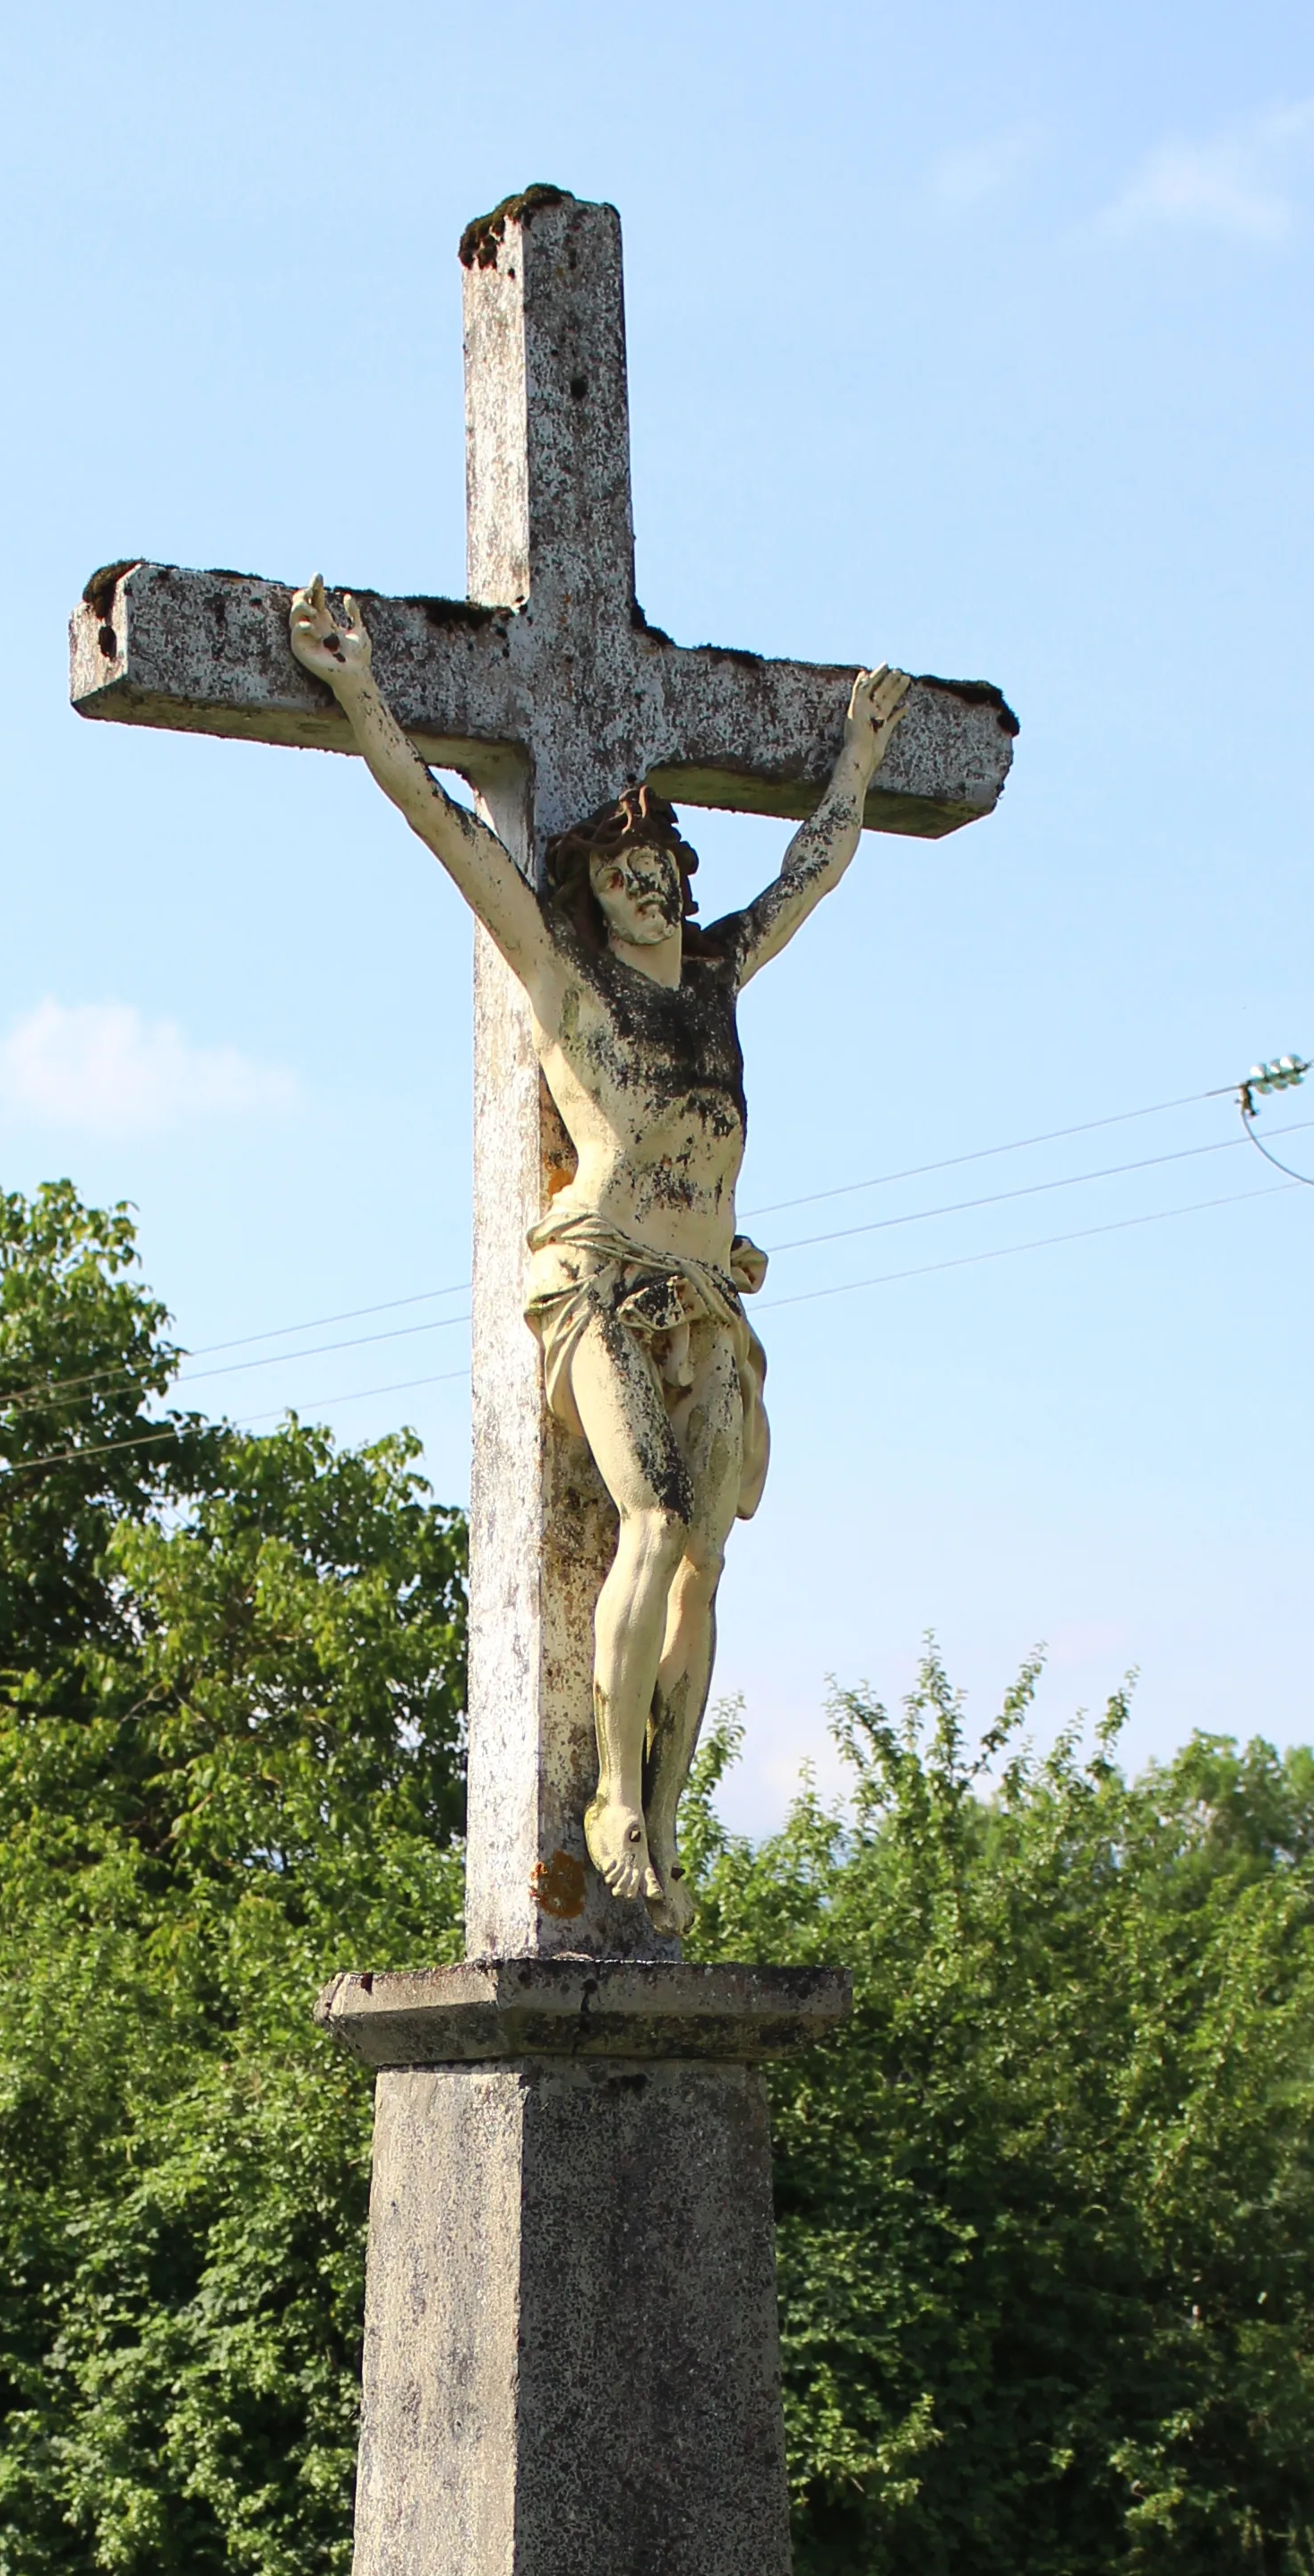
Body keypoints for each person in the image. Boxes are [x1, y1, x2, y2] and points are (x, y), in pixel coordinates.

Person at [289, 578, 909, 1931]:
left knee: (705, 1557)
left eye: (662, 870)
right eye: (620, 873)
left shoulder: (717, 978)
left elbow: (810, 872)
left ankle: (662, 1808)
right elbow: (448, 830)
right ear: (587, 891)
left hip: (705, 1302)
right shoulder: (571, 987)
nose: (646, 886)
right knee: (650, 1517)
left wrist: (857, 760)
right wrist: (360, 697)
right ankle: (611, 1798)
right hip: (601, 1286)